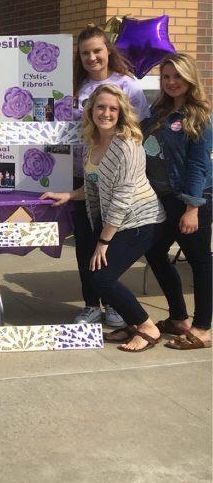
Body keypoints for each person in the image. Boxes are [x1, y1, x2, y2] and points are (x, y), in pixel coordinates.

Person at [42, 83, 165, 352]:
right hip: (117, 220)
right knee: (96, 274)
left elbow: (121, 198)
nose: (106, 113)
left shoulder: (127, 145)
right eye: (101, 107)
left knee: (102, 277)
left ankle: (146, 327)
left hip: (140, 221)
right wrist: (69, 195)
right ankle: (132, 324)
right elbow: (94, 186)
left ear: (120, 112)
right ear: (91, 110)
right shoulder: (93, 142)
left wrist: (103, 241)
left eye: (112, 108)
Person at [70, 25, 151, 328]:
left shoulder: (127, 85)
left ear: (108, 51)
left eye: (97, 51)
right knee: (85, 243)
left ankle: (115, 304)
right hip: (83, 175)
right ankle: (91, 305)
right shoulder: (75, 87)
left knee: (109, 243)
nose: (92, 57)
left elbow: (140, 129)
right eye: (85, 53)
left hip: (115, 179)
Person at [142, 54, 212, 350]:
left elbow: (199, 165)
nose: (171, 82)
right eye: (166, 76)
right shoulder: (158, 112)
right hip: (164, 199)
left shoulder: (199, 117)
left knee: (199, 261)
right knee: (155, 252)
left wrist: (192, 208)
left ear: (189, 79)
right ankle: (179, 318)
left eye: (177, 76)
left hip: (191, 200)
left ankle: (203, 328)